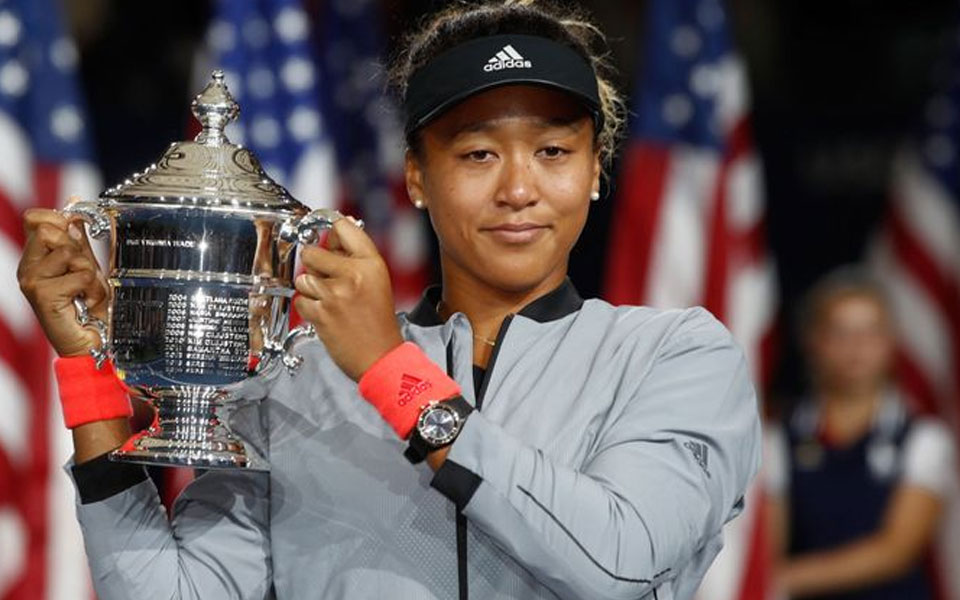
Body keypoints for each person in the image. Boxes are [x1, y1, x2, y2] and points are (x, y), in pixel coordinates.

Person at [16, 1, 761, 598]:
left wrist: (389, 369)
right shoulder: (295, 384)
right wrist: (92, 380)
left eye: (553, 151)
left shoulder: (678, 356)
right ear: (415, 178)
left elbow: (619, 565)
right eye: (476, 153)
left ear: (596, 171)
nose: (518, 189)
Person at [766, 268, 957, 599]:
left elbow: (897, 551)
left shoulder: (925, 438)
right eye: (841, 333)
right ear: (814, 342)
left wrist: (783, 578)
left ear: (891, 341)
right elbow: (770, 538)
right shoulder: (778, 437)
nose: (857, 348)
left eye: (870, 332)